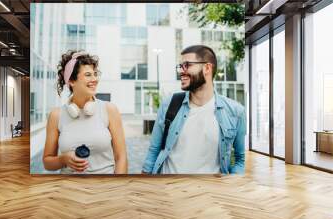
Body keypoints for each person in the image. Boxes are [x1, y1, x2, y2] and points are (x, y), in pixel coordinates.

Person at [142, 45, 246, 174]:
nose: (181, 71)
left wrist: (233, 181)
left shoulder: (235, 112)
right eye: (180, 66)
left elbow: (240, 159)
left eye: (187, 65)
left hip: (210, 192)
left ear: (207, 68)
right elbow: (154, 150)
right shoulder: (169, 104)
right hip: (168, 189)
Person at [43, 50, 128, 174]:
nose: (95, 79)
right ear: (71, 81)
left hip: (105, 188)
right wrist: (63, 159)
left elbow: (121, 157)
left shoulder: (110, 110)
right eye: (88, 75)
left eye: (95, 74)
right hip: (70, 189)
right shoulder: (56, 116)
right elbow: (47, 162)